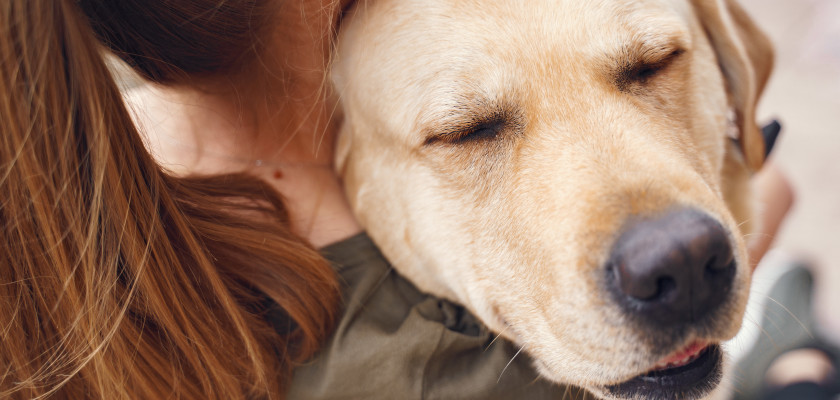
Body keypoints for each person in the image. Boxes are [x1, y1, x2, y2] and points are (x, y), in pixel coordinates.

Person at [0, 0, 817, 399]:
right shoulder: (419, 366)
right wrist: (751, 189)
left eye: (649, 67)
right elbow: (767, 188)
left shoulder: (69, 183)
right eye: (470, 130)